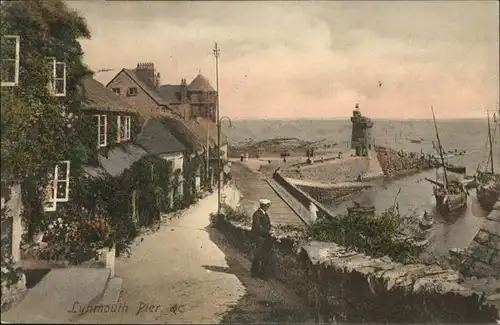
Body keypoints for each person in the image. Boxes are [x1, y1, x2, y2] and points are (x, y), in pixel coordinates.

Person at [251, 199, 272, 278]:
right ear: (263, 206)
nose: (268, 207)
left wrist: (269, 230)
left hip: (264, 238)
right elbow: (257, 227)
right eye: (267, 206)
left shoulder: (265, 214)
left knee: (264, 256)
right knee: (258, 255)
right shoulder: (257, 214)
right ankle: (255, 272)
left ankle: (261, 273)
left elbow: (268, 224)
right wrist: (268, 232)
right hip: (259, 238)